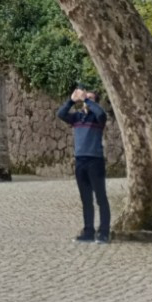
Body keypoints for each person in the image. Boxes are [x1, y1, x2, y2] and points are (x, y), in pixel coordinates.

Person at [57, 87, 110, 242]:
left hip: (95, 160)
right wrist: (72, 100)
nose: (86, 100)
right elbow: (61, 114)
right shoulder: (77, 117)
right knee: (86, 199)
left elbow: (101, 113)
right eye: (86, 98)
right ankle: (88, 231)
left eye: (91, 98)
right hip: (80, 161)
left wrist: (86, 99)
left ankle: (104, 232)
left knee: (101, 198)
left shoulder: (98, 118)